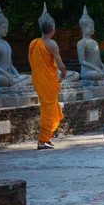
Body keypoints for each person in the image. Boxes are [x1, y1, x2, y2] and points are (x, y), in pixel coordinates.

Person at [28, 20, 67, 150]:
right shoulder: (51, 45)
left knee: (51, 109)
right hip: (48, 81)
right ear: (52, 31)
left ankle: (47, 137)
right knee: (47, 110)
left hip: (40, 80)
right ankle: (41, 141)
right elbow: (60, 64)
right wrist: (63, 70)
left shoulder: (34, 43)